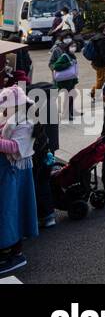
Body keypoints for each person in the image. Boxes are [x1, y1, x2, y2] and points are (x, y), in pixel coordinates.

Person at [0, 85, 38, 277]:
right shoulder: (11, 119)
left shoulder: (25, 122)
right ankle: (6, 249)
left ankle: (15, 253)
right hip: (8, 173)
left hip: (16, 172)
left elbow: (15, 147)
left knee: (13, 210)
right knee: (7, 210)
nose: (3, 111)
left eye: (5, 108)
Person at [48, 40, 79, 121]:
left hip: (70, 80)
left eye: (75, 46)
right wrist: (69, 64)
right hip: (64, 81)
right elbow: (56, 66)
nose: (73, 48)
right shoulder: (65, 56)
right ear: (68, 47)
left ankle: (66, 114)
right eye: (72, 46)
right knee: (67, 96)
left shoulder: (72, 55)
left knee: (70, 96)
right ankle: (63, 114)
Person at [87, 25, 105, 100]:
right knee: (100, 80)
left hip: (97, 61)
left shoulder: (98, 37)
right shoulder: (102, 39)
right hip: (100, 63)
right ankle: (93, 94)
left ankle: (94, 90)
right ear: (104, 29)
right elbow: (104, 53)